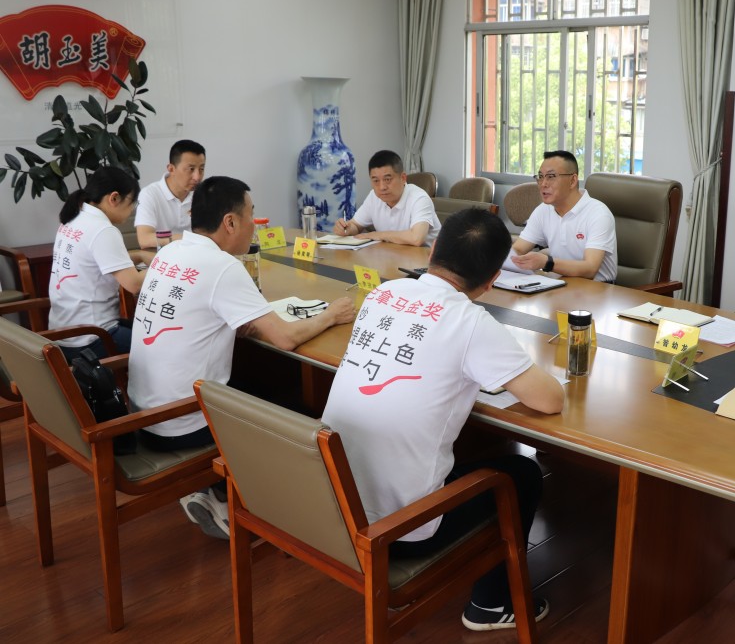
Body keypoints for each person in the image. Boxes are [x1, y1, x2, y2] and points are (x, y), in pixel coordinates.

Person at [321, 208, 565, 631]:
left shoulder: (384, 293)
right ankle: (492, 604)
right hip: (396, 531)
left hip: (331, 505)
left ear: (433, 249)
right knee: (522, 474)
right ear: (492, 280)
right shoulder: (470, 321)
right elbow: (549, 400)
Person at [128, 175, 355, 539]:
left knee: (259, 378)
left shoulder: (169, 253)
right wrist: (331, 315)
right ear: (230, 222)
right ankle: (249, 504)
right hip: (184, 424)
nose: (254, 224)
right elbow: (284, 338)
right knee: (297, 409)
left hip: (143, 414)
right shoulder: (222, 266)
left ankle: (214, 490)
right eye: (251, 214)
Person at [49, 167, 147, 362]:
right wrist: (164, 265)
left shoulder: (75, 217)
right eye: (132, 203)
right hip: (92, 339)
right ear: (114, 198)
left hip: (63, 334)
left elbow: (95, 260)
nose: (132, 210)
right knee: (162, 345)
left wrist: (138, 255)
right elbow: (134, 284)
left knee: (143, 330)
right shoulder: (102, 229)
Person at [508, 150, 617, 282]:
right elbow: (519, 249)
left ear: (572, 180)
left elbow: (590, 269)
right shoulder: (543, 210)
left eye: (551, 176)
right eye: (540, 177)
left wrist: (547, 262)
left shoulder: (598, 214)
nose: (543, 184)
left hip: (597, 288)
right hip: (559, 284)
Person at [332, 149, 440, 246]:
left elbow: (416, 238)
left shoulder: (419, 198)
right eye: (376, 181)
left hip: (425, 258)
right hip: (392, 256)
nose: (382, 187)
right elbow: (356, 225)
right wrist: (346, 229)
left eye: (387, 179)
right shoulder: (374, 196)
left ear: (403, 178)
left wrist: (377, 235)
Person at [134, 139, 206, 249]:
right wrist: (187, 239)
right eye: (191, 169)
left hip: (195, 255)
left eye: (201, 169)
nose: (197, 177)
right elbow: (144, 239)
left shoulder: (203, 194)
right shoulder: (150, 194)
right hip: (162, 257)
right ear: (171, 169)